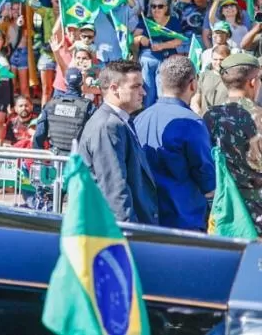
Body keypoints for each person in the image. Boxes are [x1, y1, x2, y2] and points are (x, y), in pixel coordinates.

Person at [134, 56, 215, 231]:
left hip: (146, 217)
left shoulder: (140, 118)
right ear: (193, 84)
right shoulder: (192, 122)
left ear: (161, 82)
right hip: (183, 219)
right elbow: (206, 176)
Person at [76, 60, 159, 225]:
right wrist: (129, 232)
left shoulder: (119, 121)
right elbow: (114, 189)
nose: (143, 92)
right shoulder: (109, 125)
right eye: (136, 86)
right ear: (114, 88)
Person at [203, 53, 262, 229]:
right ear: (253, 82)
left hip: (223, 210)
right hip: (256, 211)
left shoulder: (210, 116)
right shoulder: (259, 117)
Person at [32, 68, 95, 156]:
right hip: (76, 160)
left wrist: (38, 158)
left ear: (65, 82)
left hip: (55, 157)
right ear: (81, 82)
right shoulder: (89, 107)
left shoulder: (51, 104)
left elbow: (39, 134)